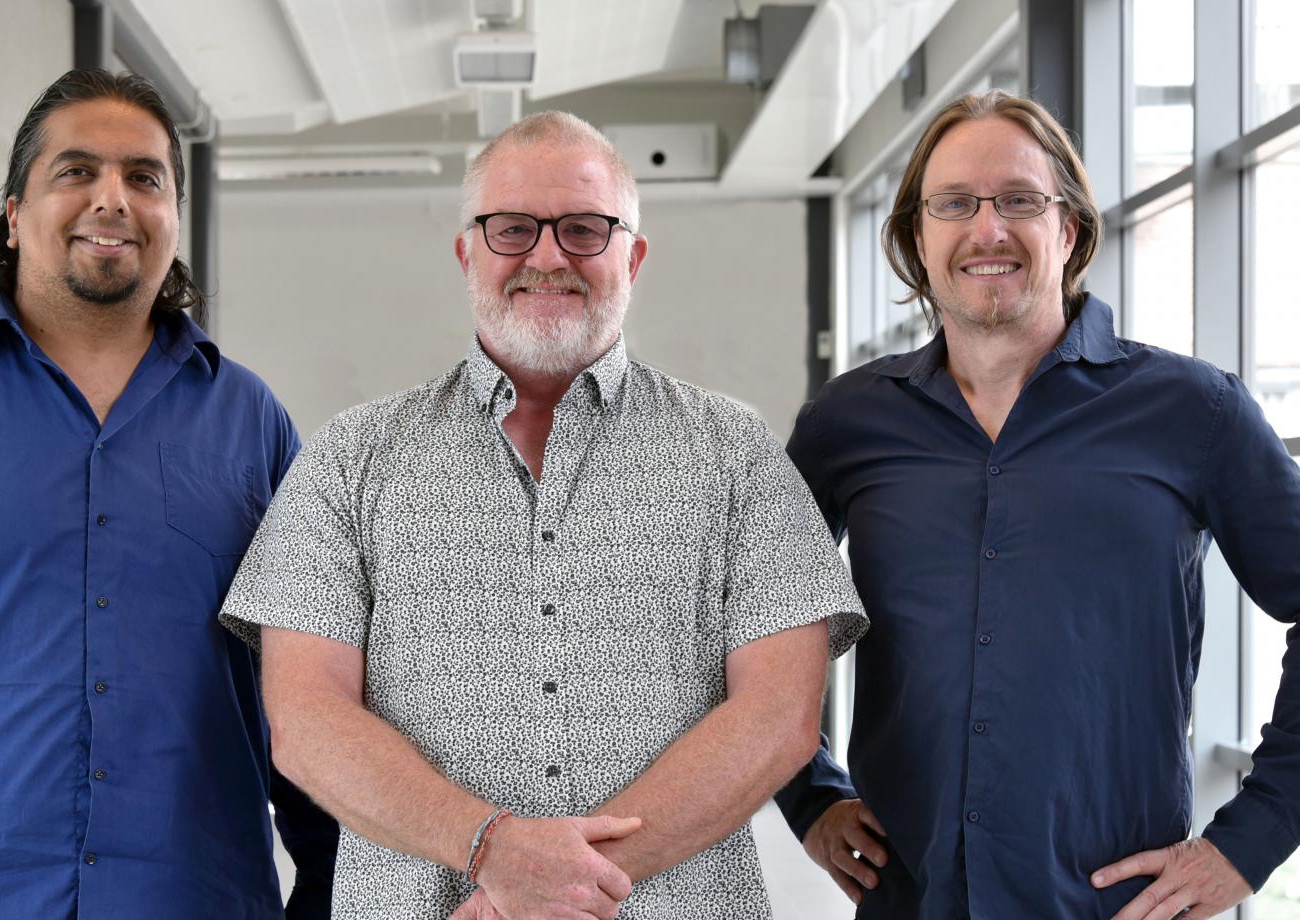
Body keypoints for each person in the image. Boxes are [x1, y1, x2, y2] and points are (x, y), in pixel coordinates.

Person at [218, 110, 869, 920]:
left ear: (632, 256)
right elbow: (308, 722)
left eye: (585, 229)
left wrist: (552, 885)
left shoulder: (737, 453)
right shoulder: (349, 460)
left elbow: (779, 717)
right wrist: (489, 849)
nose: (549, 255)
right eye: (513, 228)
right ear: (467, 254)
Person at [777, 89, 1300, 919]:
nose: (988, 230)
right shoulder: (846, 424)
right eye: (955, 204)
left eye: (1020, 200)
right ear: (918, 234)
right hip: (910, 902)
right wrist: (806, 794)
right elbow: (747, 623)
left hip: (1115, 906)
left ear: (1071, 229)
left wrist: (1252, 840)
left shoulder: (1195, 412)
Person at [0, 70, 335, 918]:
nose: (111, 199)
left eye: (144, 177)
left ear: (173, 218)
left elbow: (310, 688)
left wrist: (335, 890)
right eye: (75, 171)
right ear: (13, 212)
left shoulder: (252, 424)